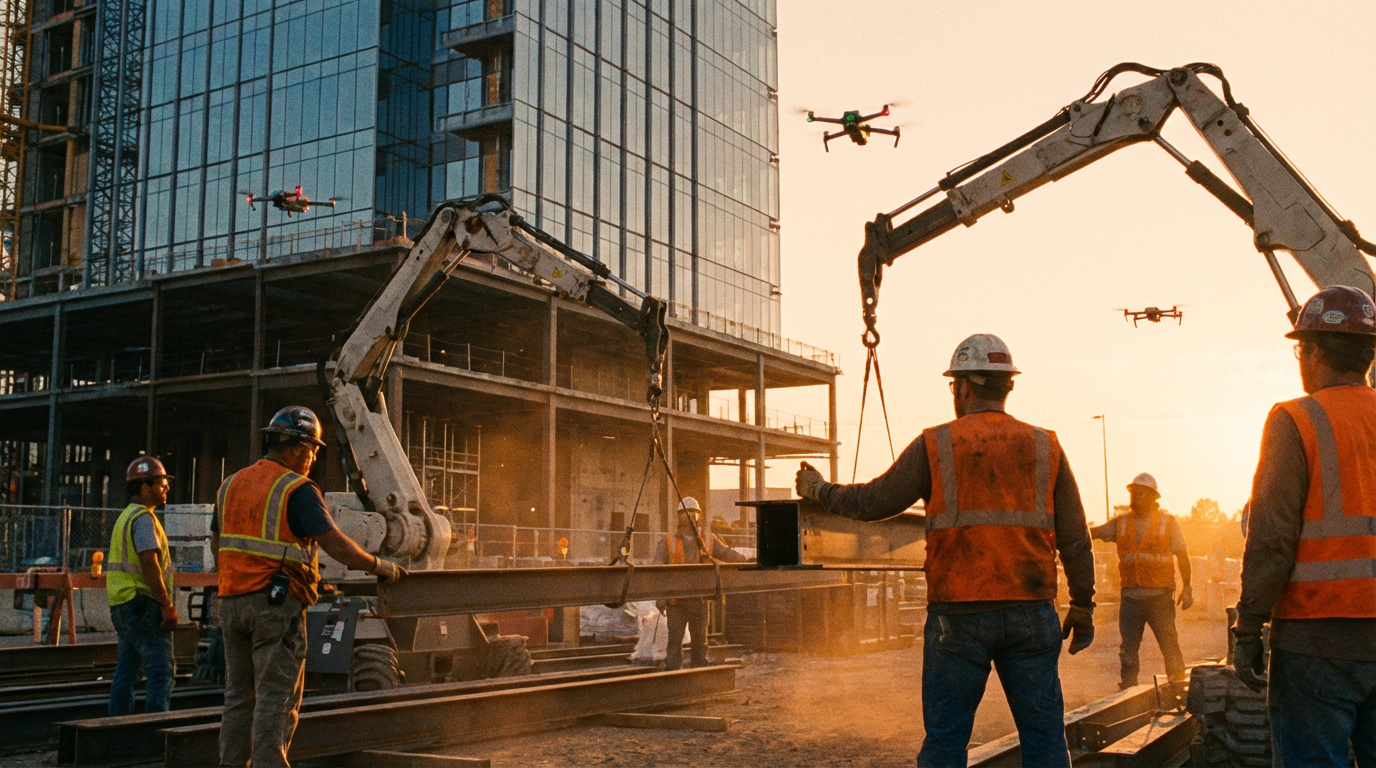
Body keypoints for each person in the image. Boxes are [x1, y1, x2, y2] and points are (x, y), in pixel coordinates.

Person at [796, 334, 1096, 768]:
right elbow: (1075, 535)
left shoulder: (937, 444)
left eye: (954, 385)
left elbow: (874, 502)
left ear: (964, 387)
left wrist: (819, 490)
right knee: (1045, 737)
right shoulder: (1045, 445)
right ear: (1007, 386)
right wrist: (1083, 604)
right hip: (1030, 612)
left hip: (958, 616)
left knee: (945, 740)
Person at [212, 406, 408, 767]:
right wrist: (378, 565)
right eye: (312, 451)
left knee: (238, 695)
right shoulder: (297, 489)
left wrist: (235, 578)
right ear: (296, 448)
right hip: (274, 606)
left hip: (230, 602)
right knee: (276, 695)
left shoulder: (231, 484)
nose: (313, 459)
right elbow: (333, 542)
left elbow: (217, 542)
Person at [1234, 286, 1376, 765]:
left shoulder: (1296, 419)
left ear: (1313, 351)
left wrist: (1248, 627)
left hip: (1315, 638)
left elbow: (1272, 539)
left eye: (1301, 350)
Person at [1091, 473, 1192, 690]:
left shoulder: (1167, 523)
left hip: (1160, 598)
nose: (1135, 497)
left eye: (1140, 493)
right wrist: (1072, 527)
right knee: (1128, 650)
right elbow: (1095, 533)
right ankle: (1128, 690)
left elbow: (1182, 555)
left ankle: (1178, 686)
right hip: (1130, 599)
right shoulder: (1122, 523)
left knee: (1169, 646)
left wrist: (1188, 587)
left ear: (1153, 497)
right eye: (1133, 493)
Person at [106, 456, 177, 717]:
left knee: (127, 670)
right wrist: (166, 604)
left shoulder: (125, 517)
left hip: (123, 605)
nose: (167, 488)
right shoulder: (144, 518)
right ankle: (155, 728)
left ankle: (117, 725)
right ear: (145, 487)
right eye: (161, 483)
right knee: (160, 669)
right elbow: (149, 562)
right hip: (143, 604)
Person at [653, 496, 749, 670]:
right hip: (676, 601)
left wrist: (747, 561)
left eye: (693, 512)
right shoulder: (667, 541)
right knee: (674, 640)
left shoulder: (708, 540)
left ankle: (699, 672)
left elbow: (726, 553)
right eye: (685, 512)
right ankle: (673, 672)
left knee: (700, 641)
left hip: (699, 600)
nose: (689, 515)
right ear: (678, 516)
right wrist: (660, 596)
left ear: (698, 515)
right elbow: (657, 570)